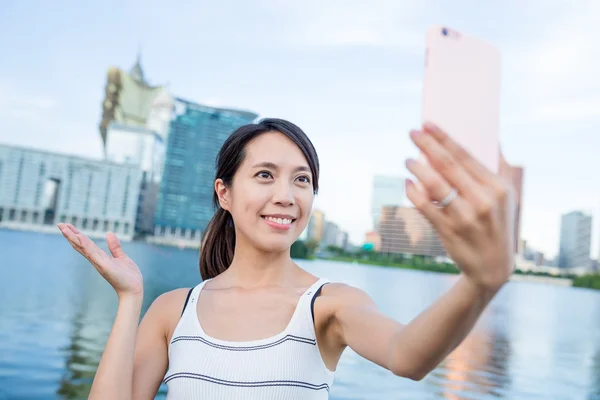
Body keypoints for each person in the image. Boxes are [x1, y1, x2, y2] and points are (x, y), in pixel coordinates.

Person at [57, 118, 515, 400]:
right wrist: (129, 298)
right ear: (225, 193)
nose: (286, 196)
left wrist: (479, 282)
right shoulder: (173, 311)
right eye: (264, 175)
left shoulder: (327, 305)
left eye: (301, 180)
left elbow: (407, 356)